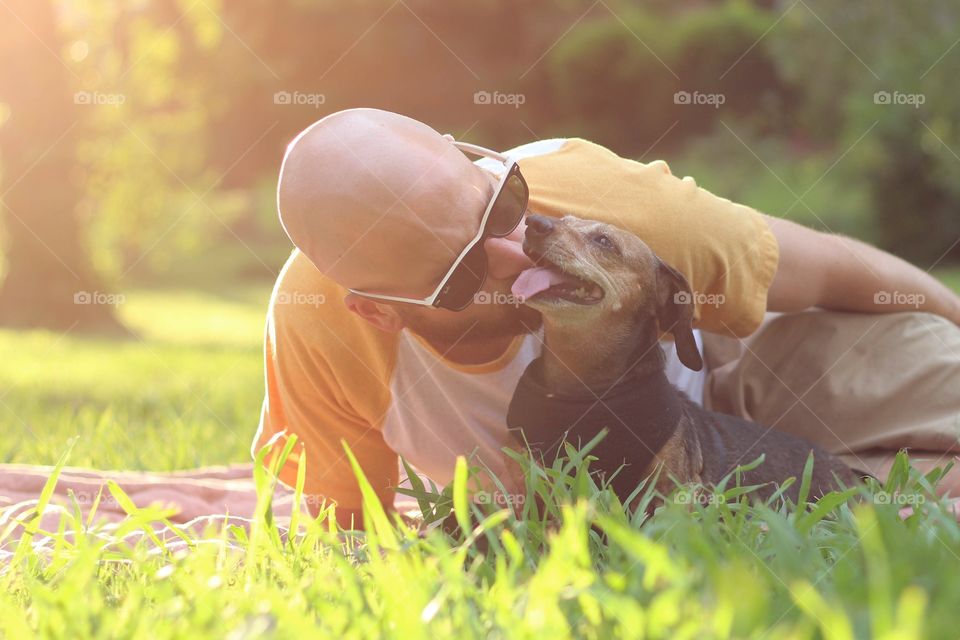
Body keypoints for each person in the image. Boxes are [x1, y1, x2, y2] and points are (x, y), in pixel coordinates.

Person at [252, 107, 960, 528]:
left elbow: (837, 271)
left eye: (502, 205)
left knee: (923, 354)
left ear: (475, 160)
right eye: (466, 269)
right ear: (378, 311)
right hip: (584, 506)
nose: (517, 247)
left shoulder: (616, 211)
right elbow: (349, 523)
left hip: (727, 388)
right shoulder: (319, 333)